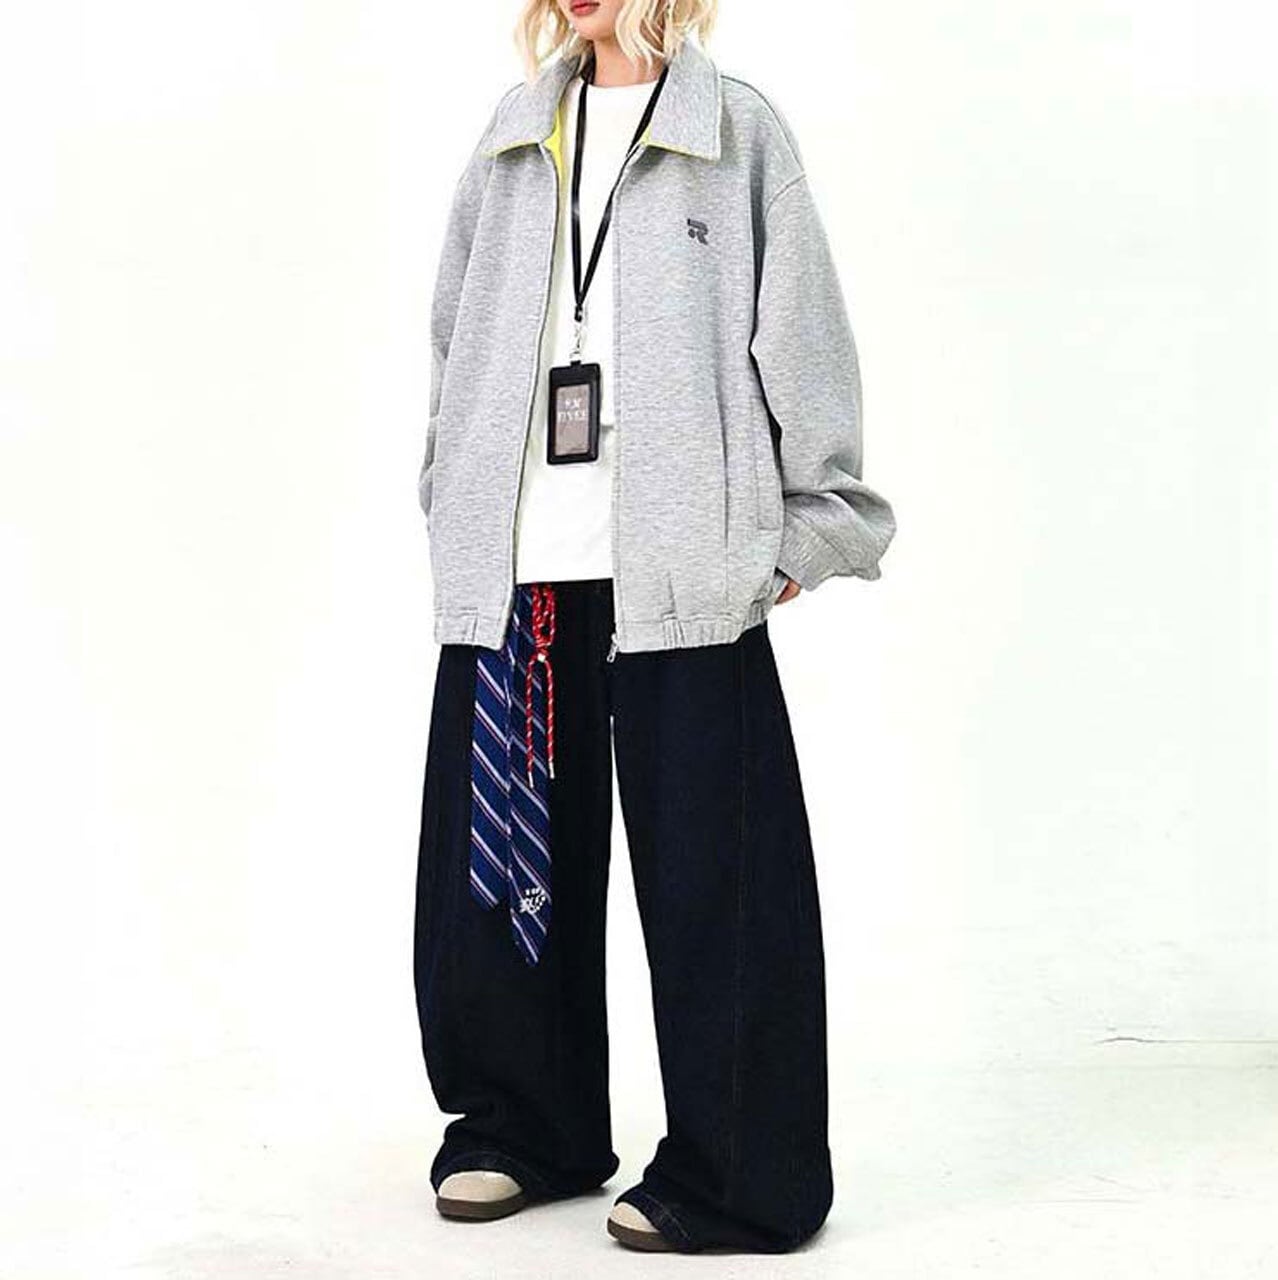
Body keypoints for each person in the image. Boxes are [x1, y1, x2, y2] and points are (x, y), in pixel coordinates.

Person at [413, 0, 896, 1254]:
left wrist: (807, 530)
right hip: (520, 573)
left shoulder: (736, 134)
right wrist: (453, 496)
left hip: (682, 574)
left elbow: (804, 339)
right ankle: (524, 1128)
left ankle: (740, 1174)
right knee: (501, 878)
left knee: (717, 885)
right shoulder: (513, 136)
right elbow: (455, 342)